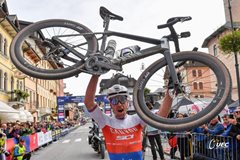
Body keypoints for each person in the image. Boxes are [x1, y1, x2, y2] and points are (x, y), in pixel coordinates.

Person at [84, 75, 172, 160]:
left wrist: (170, 93)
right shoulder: (105, 121)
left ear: (128, 102)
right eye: (114, 100)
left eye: (122, 99)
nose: (119, 104)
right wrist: (96, 74)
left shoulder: (137, 119)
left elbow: (161, 116)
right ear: (110, 104)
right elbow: (89, 103)